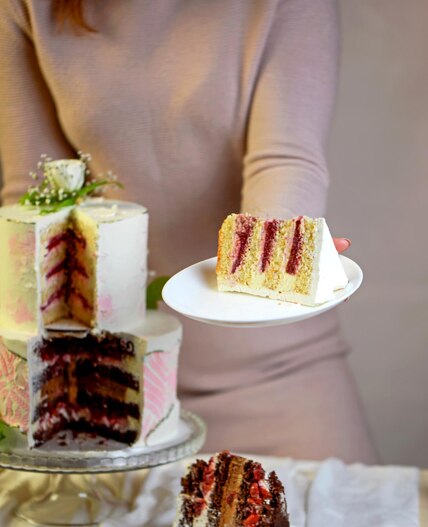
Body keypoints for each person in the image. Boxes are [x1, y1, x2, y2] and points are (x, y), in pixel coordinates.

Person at [0, 0, 377, 462]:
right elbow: (35, 194)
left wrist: (284, 247)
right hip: (111, 379)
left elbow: (285, 161)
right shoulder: (27, 8)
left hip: (280, 376)